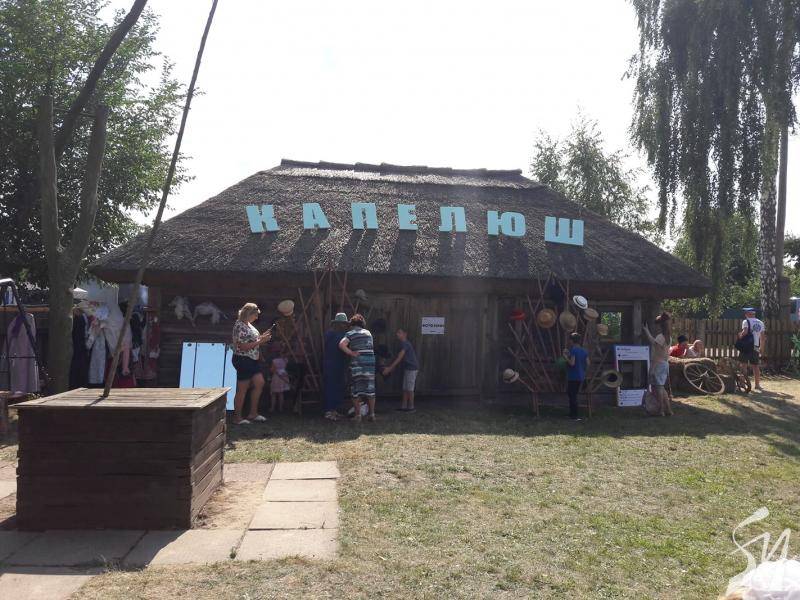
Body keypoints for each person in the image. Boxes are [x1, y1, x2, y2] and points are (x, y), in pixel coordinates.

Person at [231, 302, 271, 425]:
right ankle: (237, 418)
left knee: (259, 382)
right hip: (243, 359)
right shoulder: (239, 326)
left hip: (253, 359)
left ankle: (253, 413)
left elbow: (253, 340)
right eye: (255, 315)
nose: (257, 317)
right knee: (242, 389)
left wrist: (261, 338)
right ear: (248, 314)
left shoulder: (248, 325)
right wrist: (260, 341)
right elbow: (242, 347)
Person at [338, 313, 376, 422]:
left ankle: (358, 415)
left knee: (356, 389)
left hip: (358, 364)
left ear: (352, 324)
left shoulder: (350, 333)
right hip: (370, 364)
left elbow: (341, 344)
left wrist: (351, 353)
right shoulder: (368, 333)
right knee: (370, 388)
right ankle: (372, 414)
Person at [382, 327, 419, 412]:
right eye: (397, 332)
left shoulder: (405, 344)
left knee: (410, 389)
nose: (397, 334)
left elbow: (399, 358)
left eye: (399, 332)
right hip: (407, 368)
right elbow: (398, 358)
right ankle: (404, 406)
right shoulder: (403, 344)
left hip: (412, 368)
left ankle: (411, 407)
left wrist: (389, 369)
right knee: (405, 388)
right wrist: (390, 367)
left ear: (405, 334)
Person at [643, 312, 673, 417]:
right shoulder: (667, 337)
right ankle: (668, 410)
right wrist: (646, 331)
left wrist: (652, 368)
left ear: (660, 325)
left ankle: (661, 410)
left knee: (659, 388)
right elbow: (654, 343)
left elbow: (657, 354)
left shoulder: (660, 337)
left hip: (658, 364)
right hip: (664, 363)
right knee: (661, 387)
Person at [323, 313, 349, 420]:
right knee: (331, 387)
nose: (343, 325)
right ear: (337, 324)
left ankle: (334, 410)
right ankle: (329, 411)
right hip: (332, 363)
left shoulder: (333, 334)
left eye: (344, 323)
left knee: (338, 387)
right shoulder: (333, 334)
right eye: (342, 323)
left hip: (338, 363)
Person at [562, 332, 589, 421]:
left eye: (570, 340)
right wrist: (582, 369)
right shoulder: (584, 350)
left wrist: (566, 357)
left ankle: (574, 416)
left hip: (573, 376)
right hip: (581, 376)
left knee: (572, 396)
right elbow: (588, 363)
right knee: (573, 395)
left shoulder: (574, 350)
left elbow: (572, 363)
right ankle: (572, 415)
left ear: (572, 341)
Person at [738, 307, 766, 391]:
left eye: (745, 313)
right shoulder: (760, 322)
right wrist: (761, 348)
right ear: (754, 314)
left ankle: (742, 383)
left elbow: (745, 332)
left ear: (747, 314)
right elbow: (762, 337)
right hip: (755, 346)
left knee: (743, 364)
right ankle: (757, 385)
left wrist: (740, 336)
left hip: (746, 346)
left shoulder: (746, 321)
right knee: (755, 366)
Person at [269, 346, 291, 412]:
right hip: (284, 375)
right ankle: (280, 408)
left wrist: (271, 370)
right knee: (281, 393)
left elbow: (272, 369)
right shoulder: (286, 360)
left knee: (274, 393)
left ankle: (272, 408)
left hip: (277, 376)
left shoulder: (274, 361)